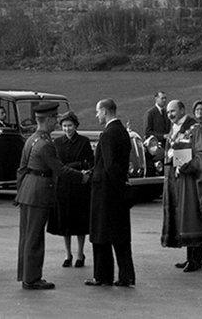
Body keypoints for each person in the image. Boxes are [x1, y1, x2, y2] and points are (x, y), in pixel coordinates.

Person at [15, 102, 86, 290]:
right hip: (38, 193)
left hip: (28, 191)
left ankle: (26, 275)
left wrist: (20, 191)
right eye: (54, 118)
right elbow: (60, 170)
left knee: (27, 236)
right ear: (46, 120)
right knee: (35, 237)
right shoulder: (45, 144)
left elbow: (21, 169)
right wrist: (83, 177)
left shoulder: (31, 140)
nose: (56, 122)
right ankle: (32, 278)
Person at [162, 100, 202, 272]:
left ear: (182, 110)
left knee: (191, 216)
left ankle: (195, 259)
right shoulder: (174, 130)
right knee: (185, 217)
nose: (170, 115)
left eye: (173, 111)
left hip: (191, 181)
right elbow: (173, 154)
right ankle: (192, 256)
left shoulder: (195, 129)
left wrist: (187, 165)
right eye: (168, 112)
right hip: (178, 180)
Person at [85, 99, 136, 288]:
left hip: (106, 193)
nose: (97, 115)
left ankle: (102, 276)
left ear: (105, 111)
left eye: (98, 112)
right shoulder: (122, 131)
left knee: (101, 235)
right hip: (118, 190)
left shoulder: (108, 134)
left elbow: (109, 165)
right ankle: (126, 275)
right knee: (121, 236)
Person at [47, 111, 93, 269]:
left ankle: (80, 253)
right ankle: (68, 253)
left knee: (80, 222)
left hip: (79, 186)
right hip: (63, 186)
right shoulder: (57, 142)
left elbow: (89, 162)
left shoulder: (84, 141)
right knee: (64, 221)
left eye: (70, 126)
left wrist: (77, 167)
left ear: (75, 126)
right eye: (65, 126)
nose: (67, 129)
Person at [143, 91, 170, 161]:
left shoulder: (167, 113)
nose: (164, 100)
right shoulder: (150, 113)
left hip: (167, 147)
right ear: (156, 99)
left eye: (165, 98)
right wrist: (163, 136)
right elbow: (147, 132)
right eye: (162, 98)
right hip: (155, 148)